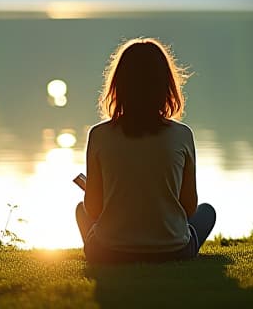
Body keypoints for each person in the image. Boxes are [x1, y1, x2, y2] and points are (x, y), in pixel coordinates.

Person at [75, 37, 216, 263]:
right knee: (206, 212)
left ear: (118, 86)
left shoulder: (99, 135)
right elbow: (189, 208)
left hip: (108, 253)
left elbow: (93, 209)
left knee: (81, 210)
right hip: (173, 251)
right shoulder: (182, 135)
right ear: (165, 85)